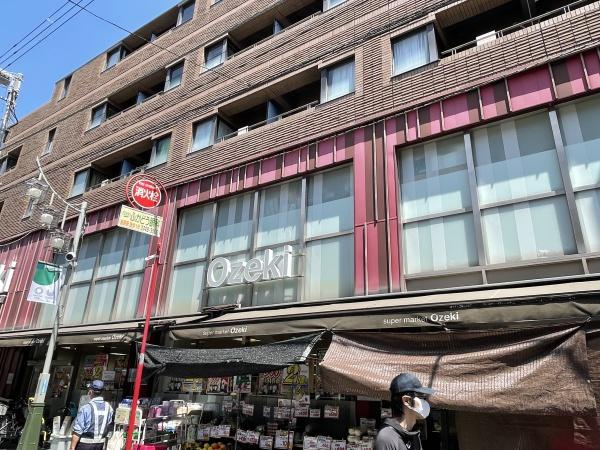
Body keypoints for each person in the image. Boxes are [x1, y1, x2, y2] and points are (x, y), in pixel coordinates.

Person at [375, 373, 434, 450]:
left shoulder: (413, 433)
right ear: (407, 401)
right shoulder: (387, 438)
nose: (426, 402)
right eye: (421, 397)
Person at [69, 380, 114, 450]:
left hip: (84, 444)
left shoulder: (86, 408)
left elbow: (78, 431)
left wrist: (72, 447)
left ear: (90, 391)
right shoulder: (109, 408)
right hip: (100, 444)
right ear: (102, 392)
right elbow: (108, 425)